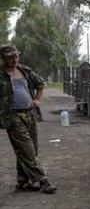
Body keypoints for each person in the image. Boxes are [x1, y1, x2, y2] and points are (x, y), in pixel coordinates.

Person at [0, 44, 57, 194]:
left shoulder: (24, 70)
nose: (14, 59)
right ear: (3, 58)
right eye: (10, 57)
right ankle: (44, 181)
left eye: (16, 56)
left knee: (31, 149)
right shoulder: (1, 74)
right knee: (27, 150)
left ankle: (23, 181)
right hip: (13, 116)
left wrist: (38, 99)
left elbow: (40, 84)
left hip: (30, 114)